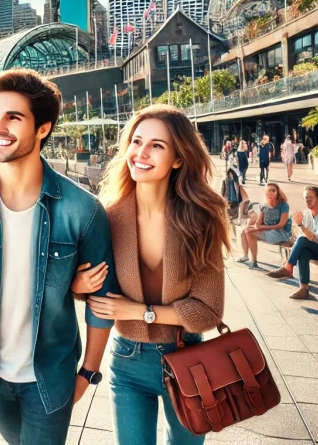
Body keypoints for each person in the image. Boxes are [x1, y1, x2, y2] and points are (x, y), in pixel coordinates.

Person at [0, 68, 116, 445]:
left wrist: (89, 372)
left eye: (14, 117)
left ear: (43, 129)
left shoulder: (84, 210)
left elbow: (102, 302)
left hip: (50, 376)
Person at [72, 104, 229, 445]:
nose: (141, 153)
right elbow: (89, 282)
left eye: (157, 145)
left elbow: (209, 310)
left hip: (188, 359)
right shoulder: (106, 218)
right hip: (127, 363)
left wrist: (139, 311)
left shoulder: (200, 220)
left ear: (178, 158)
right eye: (137, 141)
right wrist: (79, 286)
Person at [265, 186, 318, 300]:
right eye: (306, 198)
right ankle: (303, 289)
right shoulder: (308, 214)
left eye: (310, 197)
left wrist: (300, 225)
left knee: (303, 241)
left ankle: (288, 268)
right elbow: (305, 236)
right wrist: (300, 226)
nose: (307, 200)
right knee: (303, 251)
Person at [238, 182, 292, 269]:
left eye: (273, 190)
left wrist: (263, 228)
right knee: (244, 231)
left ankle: (254, 261)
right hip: (268, 231)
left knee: (249, 232)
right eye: (269, 191)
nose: (271, 193)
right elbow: (258, 224)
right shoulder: (264, 205)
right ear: (266, 192)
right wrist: (254, 226)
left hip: (280, 233)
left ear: (278, 192)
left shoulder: (283, 205)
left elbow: (280, 225)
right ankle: (246, 256)